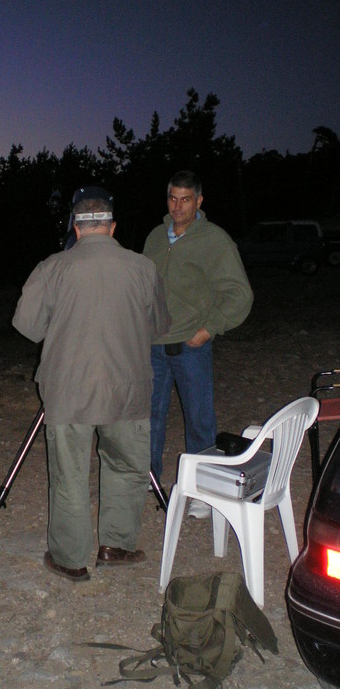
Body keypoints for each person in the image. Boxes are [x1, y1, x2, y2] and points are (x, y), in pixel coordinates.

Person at [12, 191, 170, 581]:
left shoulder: (52, 268)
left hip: (69, 390)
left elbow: (28, 327)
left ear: (76, 230)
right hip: (127, 389)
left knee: (69, 473)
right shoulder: (143, 267)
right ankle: (116, 546)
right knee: (127, 467)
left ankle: (70, 559)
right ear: (112, 228)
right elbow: (160, 327)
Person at [142, 170, 253, 518]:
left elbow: (240, 294)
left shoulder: (215, 240)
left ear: (199, 201)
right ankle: (148, 478)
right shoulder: (156, 237)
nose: (178, 206)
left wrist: (210, 328)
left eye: (185, 199)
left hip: (191, 345)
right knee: (149, 417)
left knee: (200, 419)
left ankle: (203, 494)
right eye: (173, 198)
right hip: (153, 345)